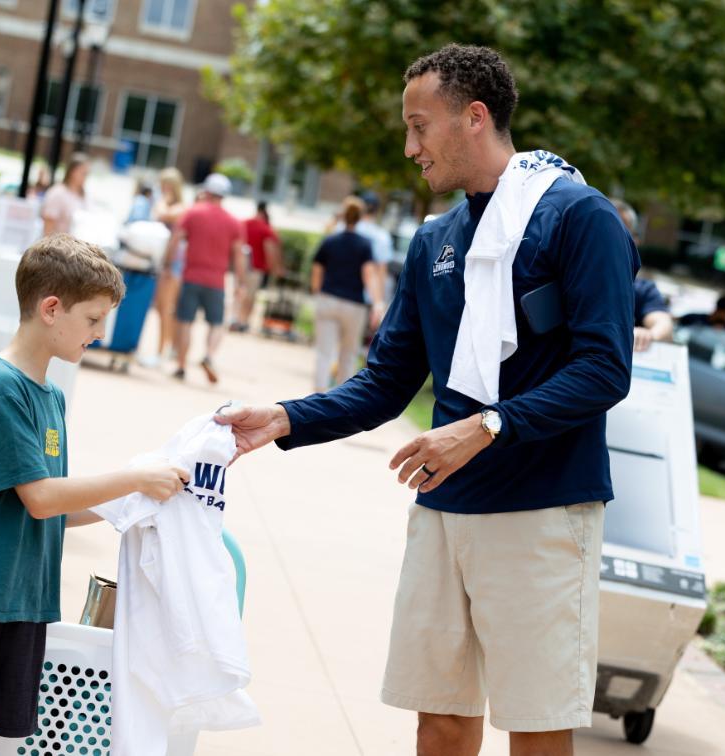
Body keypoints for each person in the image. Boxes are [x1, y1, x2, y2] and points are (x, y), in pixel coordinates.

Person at [217, 44, 637, 756]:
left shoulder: (577, 218)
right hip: (443, 511)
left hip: (542, 513)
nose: (410, 147)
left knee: (535, 728)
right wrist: (286, 417)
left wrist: (488, 426)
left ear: (474, 118)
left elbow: (604, 370)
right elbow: (386, 382)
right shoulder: (434, 240)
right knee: (438, 722)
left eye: (420, 126)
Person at [0, 233, 189, 756]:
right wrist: (134, 477)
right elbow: (42, 498)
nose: (99, 333)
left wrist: (139, 500)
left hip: (21, 602)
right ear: (51, 308)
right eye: (93, 319)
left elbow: (53, 511)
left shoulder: (50, 396)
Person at [166, 173, 245, 383]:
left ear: (206, 191)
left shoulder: (192, 213)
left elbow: (175, 240)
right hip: (216, 280)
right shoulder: (233, 222)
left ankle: (181, 366)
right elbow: (238, 255)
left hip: (191, 275)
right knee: (217, 324)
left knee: (185, 322)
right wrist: (240, 283)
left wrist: (166, 264)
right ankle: (209, 355)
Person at [311, 196, 384, 391]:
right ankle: (339, 399)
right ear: (360, 218)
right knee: (348, 354)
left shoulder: (330, 241)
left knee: (323, 353)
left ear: (343, 216)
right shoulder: (365, 244)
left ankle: (317, 395)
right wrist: (377, 302)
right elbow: (369, 275)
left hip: (328, 299)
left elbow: (317, 271)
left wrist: (319, 293)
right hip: (353, 305)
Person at [610, 199, 674, 352]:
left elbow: (664, 324)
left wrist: (649, 335)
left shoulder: (642, 290)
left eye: (619, 232)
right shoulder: (567, 277)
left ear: (634, 241)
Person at [146, 167, 189, 365]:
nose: (161, 188)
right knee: (163, 308)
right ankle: (166, 349)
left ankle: (161, 353)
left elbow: (160, 213)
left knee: (165, 308)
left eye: (164, 185)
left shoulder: (180, 208)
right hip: (169, 263)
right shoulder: (176, 206)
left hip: (173, 264)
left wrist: (163, 198)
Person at [232, 201, 283, 332]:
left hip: (240, 265)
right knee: (250, 296)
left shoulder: (243, 224)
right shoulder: (267, 229)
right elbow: (270, 249)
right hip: (256, 268)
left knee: (238, 293)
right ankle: (244, 321)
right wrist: (274, 268)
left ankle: (235, 318)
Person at [40, 154, 88, 236]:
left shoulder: (84, 194)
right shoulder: (57, 193)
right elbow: (48, 227)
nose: (85, 177)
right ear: (73, 171)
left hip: (76, 246)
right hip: (59, 246)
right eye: (83, 173)